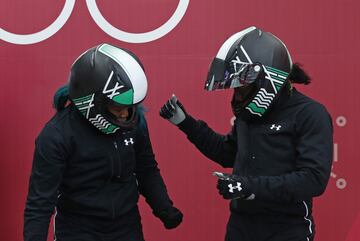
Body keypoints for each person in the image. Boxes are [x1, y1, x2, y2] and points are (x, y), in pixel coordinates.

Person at [160, 26, 333, 241]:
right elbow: (227, 153)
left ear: (268, 80)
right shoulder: (249, 113)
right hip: (242, 225)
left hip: (287, 228)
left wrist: (251, 187)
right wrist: (185, 122)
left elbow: (313, 179)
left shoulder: (310, 114)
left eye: (242, 88)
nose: (237, 96)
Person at [24, 43, 183, 241]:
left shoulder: (133, 121)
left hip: (126, 226)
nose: (126, 114)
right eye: (118, 108)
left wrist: (164, 209)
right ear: (91, 102)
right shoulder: (56, 136)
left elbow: (146, 168)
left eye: (130, 107)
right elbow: (40, 202)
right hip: (78, 231)